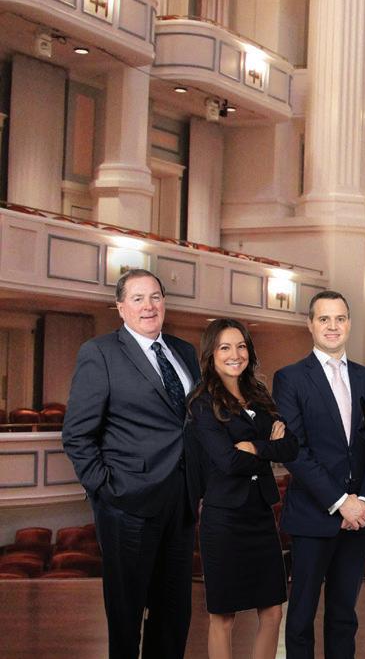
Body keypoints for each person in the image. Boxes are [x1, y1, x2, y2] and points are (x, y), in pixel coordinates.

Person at [62, 268, 202, 659]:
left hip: (180, 501)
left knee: (174, 614)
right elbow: (77, 434)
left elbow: (190, 423)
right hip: (127, 503)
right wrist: (106, 489)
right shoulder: (100, 353)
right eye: (138, 298)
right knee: (126, 617)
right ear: (121, 307)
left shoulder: (184, 351)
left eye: (155, 297)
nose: (148, 306)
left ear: (165, 303)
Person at [275, 290, 365, 659]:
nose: (332, 326)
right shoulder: (290, 378)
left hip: (358, 519)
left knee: (344, 617)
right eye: (324, 319)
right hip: (313, 514)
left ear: (349, 323)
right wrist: (340, 502)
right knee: (301, 616)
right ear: (310, 324)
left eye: (339, 318)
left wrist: (362, 502)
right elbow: (294, 450)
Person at [189, 318, 299, 659]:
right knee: (223, 616)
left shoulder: (259, 395)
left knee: (273, 610)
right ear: (211, 354)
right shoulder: (202, 403)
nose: (235, 354)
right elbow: (227, 462)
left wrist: (253, 447)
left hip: (261, 516)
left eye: (241, 346)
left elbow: (290, 447)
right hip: (224, 519)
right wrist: (268, 447)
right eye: (225, 347)